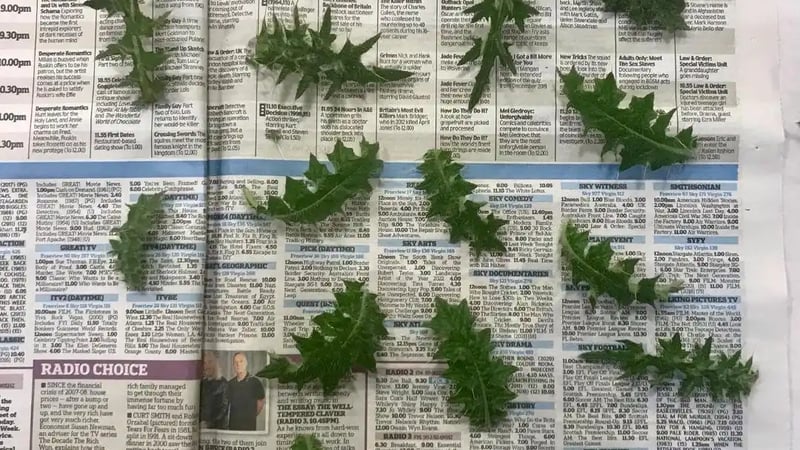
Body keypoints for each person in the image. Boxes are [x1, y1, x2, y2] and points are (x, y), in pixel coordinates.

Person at [227, 352, 266, 431]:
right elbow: (227, 405)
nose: (238, 364)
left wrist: (250, 415)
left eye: (241, 361)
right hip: (233, 427)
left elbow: (261, 401)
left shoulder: (255, 382)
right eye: (236, 362)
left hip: (249, 427)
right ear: (233, 365)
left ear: (246, 363)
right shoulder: (230, 384)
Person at [200, 351, 229, 429]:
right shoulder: (202, 383)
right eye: (205, 363)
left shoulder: (224, 384)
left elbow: (222, 410)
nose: (206, 366)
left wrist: (208, 424)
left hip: (218, 429)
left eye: (210, 362)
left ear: (217, 363)